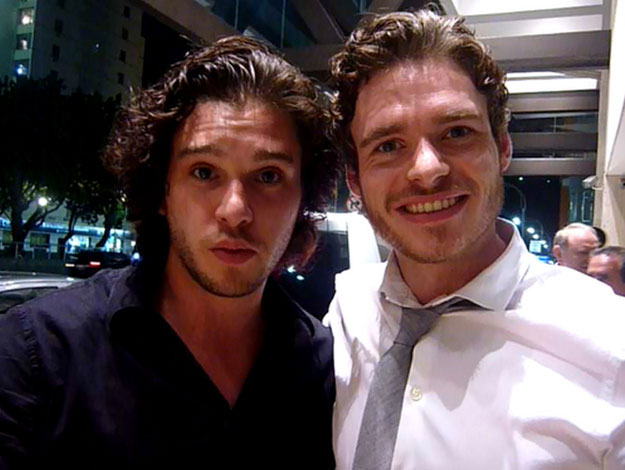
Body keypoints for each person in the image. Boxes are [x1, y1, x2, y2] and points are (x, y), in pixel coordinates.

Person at [0, 37, 339, 468]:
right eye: (204, 172)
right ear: (163, 190)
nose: (235, 210)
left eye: (269, 176)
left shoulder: (327, 370)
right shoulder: (36, 355)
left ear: (303, 198)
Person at [325, 9, 625, 469]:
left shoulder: (610, 346)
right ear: (354, 179)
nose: (427, 169)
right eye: (388, 145)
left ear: (502, 147)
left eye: (457, 132)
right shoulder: (349, 310)